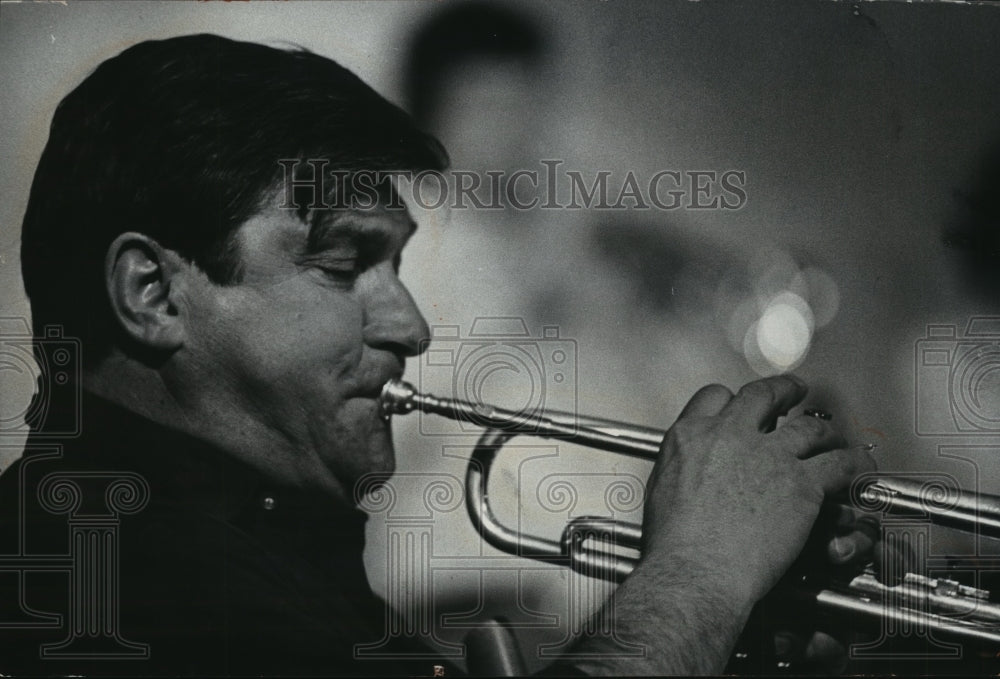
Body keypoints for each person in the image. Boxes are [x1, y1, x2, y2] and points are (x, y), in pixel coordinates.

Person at [0, 34, 879, 676]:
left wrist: (718, 636)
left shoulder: (268, 544)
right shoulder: (119, 568)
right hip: (468, 588)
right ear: (152, 294)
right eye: (345, 266)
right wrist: (696, 579)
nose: (412, 326)